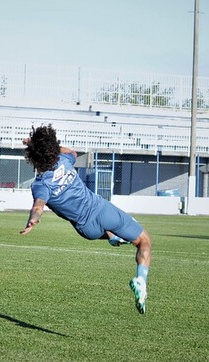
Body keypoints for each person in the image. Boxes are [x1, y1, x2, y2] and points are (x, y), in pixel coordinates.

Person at [20, 125, 152, 314]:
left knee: (112, 231)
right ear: (51, 148)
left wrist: (33, 220)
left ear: (33, 158)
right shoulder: (64, 161)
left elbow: (38, 206)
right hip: (102, 211)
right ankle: (141, 282)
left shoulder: (40, 185)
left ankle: (113, 236)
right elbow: (72, 151)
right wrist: (40, 144)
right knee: (144, 241)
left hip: (86, 229)